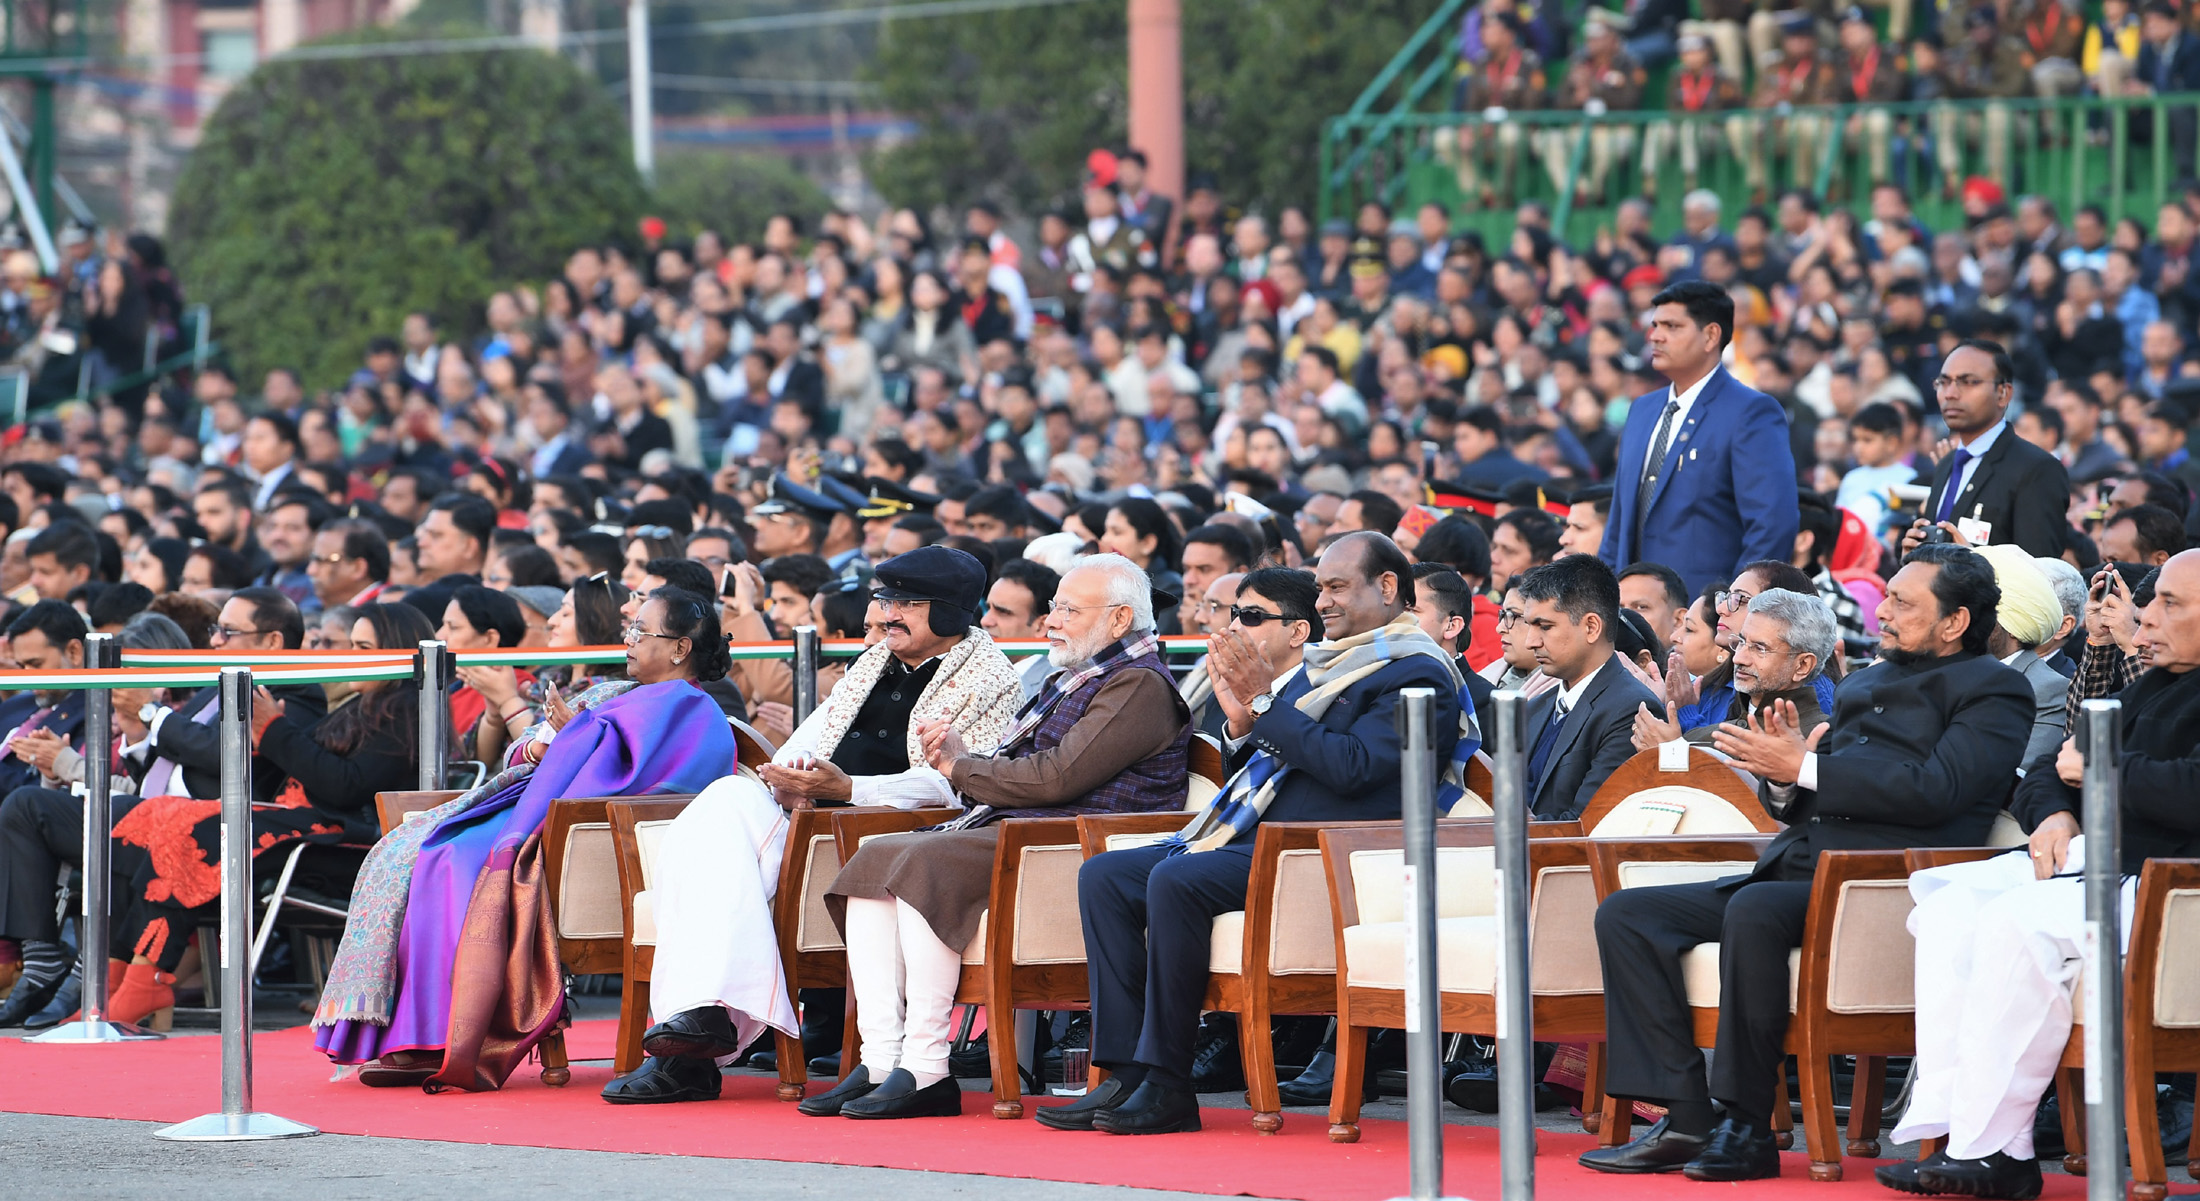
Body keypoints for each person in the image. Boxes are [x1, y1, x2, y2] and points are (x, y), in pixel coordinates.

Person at [1581, 544, 2033, 1182]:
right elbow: (1804, 804)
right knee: (1629, 913)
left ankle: (1746, 1125)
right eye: (1890, 596)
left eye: (1904, 602)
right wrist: (1787, 781)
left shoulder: (1994, 688)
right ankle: (1685, 1116)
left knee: (1756, 908)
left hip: (1892, 879)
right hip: (1802, 864)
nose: (1885, 612)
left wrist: (1807, 767)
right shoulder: (1868, 682)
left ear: (1955, 621)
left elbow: (1941, 791)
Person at [1046, 533, 1474, 1135]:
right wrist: (1244, 724)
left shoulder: (1417, 672)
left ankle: (1169, 1083)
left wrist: (1267, 705)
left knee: (1178, 879)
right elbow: (1263, 764)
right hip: (1262, 842)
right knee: (1107, 875)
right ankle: (1124, 1074)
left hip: (1329, 855)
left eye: (1337, 586)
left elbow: (1354, 769)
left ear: (1387, 588)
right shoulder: (1334, 661)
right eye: (1320, 586)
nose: (1323, 600)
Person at [608, 547, 1024, 1105]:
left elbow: (959, 785)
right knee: (722, 800)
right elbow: (804, 744)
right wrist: (786, 776)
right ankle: (696, 1026)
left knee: (721, 837)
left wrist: (850, 790)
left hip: (898, 835)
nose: (887, 614)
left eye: (905, 603)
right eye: (884, 600)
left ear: (949, 611)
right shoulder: (874, 662)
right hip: (816, 821)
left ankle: (698, 1039)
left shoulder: (992, 678)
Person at [803, 553, 1194, 1120]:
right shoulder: (1080, 678)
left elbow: (1058, 776)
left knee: (924, 860)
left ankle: (927, 1067)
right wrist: (963, 761)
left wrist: (961, 767)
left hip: (1063, 845)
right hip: (1022, 831)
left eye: (1067, 609)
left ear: (1118, 620)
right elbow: (1026, 766)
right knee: (877, 855)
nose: (1050, 621)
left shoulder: (1137, 684)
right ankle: (883, 1059)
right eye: (1054, 606)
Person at [313, 589, 738, 1090]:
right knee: (421, 852)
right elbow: (530, 751)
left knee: (453, 860)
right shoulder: (618, 692)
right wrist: (546, 740)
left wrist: (577, 734)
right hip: (534, 813)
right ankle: (414, 1035)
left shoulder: (691, 708)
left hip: (579, 837)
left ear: (680, 648)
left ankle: (447, 1039)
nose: (629, 639)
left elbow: (631, 779)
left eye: (641, 632)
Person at [1877, 548, 2200, 1200]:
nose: (2147, 619)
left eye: (2171, 603)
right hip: (2100, 874)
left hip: (2172, 891)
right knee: (1947, 899)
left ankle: (1993, 1148)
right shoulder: (2153, 683)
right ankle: (1958, 1130)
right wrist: (2053, 814)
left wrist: (2107, 773)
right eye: (2152, 600)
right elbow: (2052, 766)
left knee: (2012, 921)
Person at [103, 602, 432, 1030]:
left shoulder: (405, 710)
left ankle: (147, 980)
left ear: (397, 652)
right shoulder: (364, 704)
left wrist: (273, 729)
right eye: (350, 644)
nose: (349, 655)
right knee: (168, 817)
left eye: (363, 646)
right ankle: (120, 981)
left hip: (348, 842)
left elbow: (346, 785)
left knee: (200, 830)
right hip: (305, 826)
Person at [0, 612, 192, 1028]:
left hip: (170, 835)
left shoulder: (185, 721)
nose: (119, 684)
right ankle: (41, 960)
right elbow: (99, 793)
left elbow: (148, 798)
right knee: (28, 807)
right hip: (124, 827)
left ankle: (79, 966)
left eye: (128, 673)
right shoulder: (119, 718)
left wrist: (68, 764)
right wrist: (55, 773)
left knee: (28, 807)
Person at [1600, 281, 1799, 597]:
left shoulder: (1751, 412)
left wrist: (1733, 605)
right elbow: (1619, 524)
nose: (1655, 336)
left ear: (1710, 336)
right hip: (1631, 615)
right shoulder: (1642, 409)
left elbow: (1771, 525)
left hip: (1704, 617)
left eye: (1672, 326)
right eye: (1654, 325)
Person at [1515, 555, 1665, 820]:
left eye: (1545, 627)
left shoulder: (1632, 709)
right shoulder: (1535, 706)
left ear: (1591, 627)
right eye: (1529, 626)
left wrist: (1500, 827)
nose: (1530, 642)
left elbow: (1586, 824)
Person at [1903, 341, 2072, 560]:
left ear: (2003, 393)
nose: (1950, 393)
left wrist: (1974, 564)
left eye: (1969, 382)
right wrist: (1914, 557)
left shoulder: (2037, 469)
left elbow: (2040, 576)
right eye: (1943, 382)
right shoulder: (1947, 463)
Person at [1634, 589, 1834, 752]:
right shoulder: (1706, 735)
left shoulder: (1821, 740)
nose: (1739, 658)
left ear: (1803, 665)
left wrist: (1671, 753)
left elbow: (1755, 798)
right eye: (1740, 642)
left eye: (1759, 648)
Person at [983, 557, 1060, 702]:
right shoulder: (973, 666)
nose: (985, 621)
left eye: (1003, 613)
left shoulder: (1054, 687)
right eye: (988, 608)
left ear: (1041, 626)